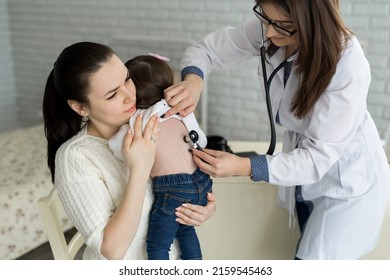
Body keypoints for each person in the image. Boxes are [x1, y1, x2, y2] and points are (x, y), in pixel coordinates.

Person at [163, 0, 390, 260]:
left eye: (283, 26)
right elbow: (206, 50)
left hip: (347, 181)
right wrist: (193, 81)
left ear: (310, 21)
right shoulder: (271, 28)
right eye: (265, 18)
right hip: (303, 175)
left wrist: (244, 166)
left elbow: (317, 158)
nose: (269, 33)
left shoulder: (347, 62)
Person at [42, 42, 216, 260]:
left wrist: (201, 208)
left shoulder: (148, 122)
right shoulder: (75, 158)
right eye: (112, 94)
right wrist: (139, 169)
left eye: (126, 79)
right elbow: (112, 250)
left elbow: (176, 184)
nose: (129, 95)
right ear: (80, 107)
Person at [108, 55, 212, 260]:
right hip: (202, 180)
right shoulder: (181, 111)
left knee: (158, 245)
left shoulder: (139, 119)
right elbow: (201, 140)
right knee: (185, 230)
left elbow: (120, 148)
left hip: (173, 187)